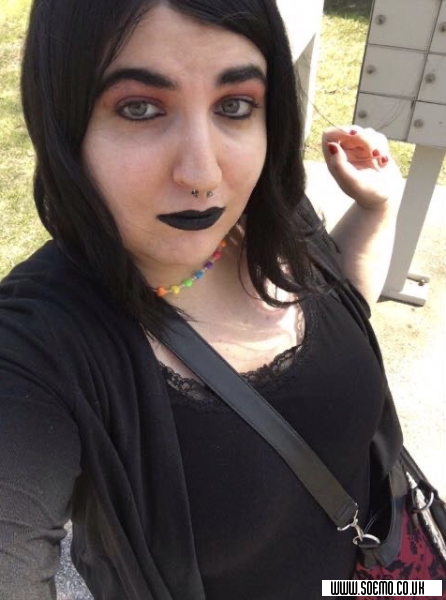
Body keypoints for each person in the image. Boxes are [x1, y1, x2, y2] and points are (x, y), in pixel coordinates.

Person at [0, 0, 405, 598]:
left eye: (234, 105)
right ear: (63, 120)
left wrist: (376, 210)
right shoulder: (37, 346)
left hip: (384, 579)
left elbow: (343, 313)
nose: (203, 174)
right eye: (139, 108)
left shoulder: (273, 215)